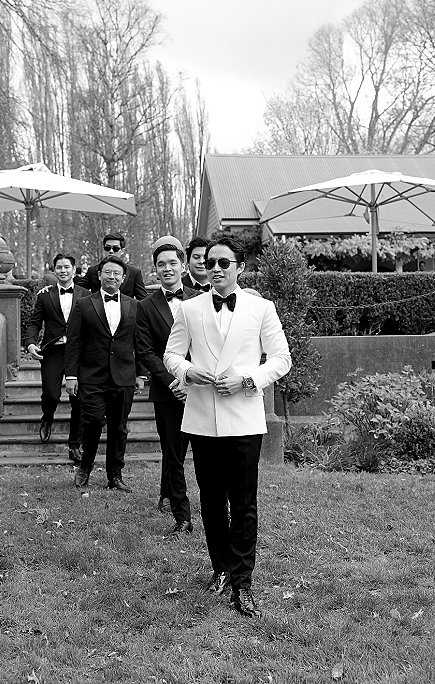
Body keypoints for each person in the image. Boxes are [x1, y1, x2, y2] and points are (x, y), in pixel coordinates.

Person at [164, 235, 291, 618]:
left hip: (243, 418)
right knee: (212, 502)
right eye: (210, 262)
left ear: (240, 267)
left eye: (224, 262)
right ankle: (220, 569)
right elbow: (171, 354)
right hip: (202, 419)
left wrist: (248, 379)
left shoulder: (261, 308)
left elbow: (282, 359)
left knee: (244, 503)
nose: (215, 268)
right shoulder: (188, 309)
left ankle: (243, 583)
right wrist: (188, 370)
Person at [135, 240, 197, 536]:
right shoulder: (145, 307)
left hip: (202, 390)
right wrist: (175, 382)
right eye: (161, 264)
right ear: (155, 270)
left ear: (183, 266)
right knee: (173, 457)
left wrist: (194, 382)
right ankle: (182, 517)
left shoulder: (202, 298)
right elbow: (146, 352)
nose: (167, 268)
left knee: (210, 455)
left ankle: (217, 509)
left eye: (173, 263)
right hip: (167, 391)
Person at [65, 254, 138, 492]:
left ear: (123, 278)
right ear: (99, 275)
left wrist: (141, 374)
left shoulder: (133, 305)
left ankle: (114, 475)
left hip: (124, 376)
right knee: (93, 421)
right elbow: (73, 343)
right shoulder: (84, 304)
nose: (112, 277)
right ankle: (85, 467)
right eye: (107, 272)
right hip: (92, 376)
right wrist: (71, 375)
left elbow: (139, 342)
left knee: (120, 427)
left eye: (117, 273)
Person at [24, 252, 89, 463]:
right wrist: (31, 343)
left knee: (78, 400)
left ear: (74, 270)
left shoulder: (87, 294)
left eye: (67, 267)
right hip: (52, 352)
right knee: (51, 395)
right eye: (59, 267)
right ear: (54, 270)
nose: (63, 271)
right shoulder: (45, 295)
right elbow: (34, 322)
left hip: (78, 354)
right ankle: (48, 417)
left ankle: (75, 445)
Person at [77, 233, 148, 299]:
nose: (111, 251)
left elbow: (143, 300)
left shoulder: (134, 273)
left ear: (122, 251)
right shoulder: (92, 271)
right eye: (107, 248)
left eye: (115, 248)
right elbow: (76, 291)